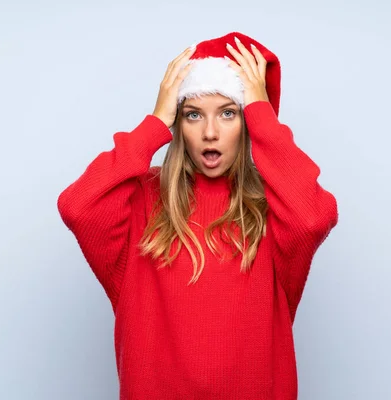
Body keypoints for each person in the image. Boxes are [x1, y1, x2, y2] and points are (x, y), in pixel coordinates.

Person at [57, 32, 338, 399]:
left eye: (228, 113)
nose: (210, 133)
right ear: (178, 124)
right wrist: (154, 123)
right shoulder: (140, 201)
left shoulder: (276, 211)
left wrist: (262, 115)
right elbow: (78, 206)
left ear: (248, 122)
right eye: (193, 115)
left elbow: (314, 218)